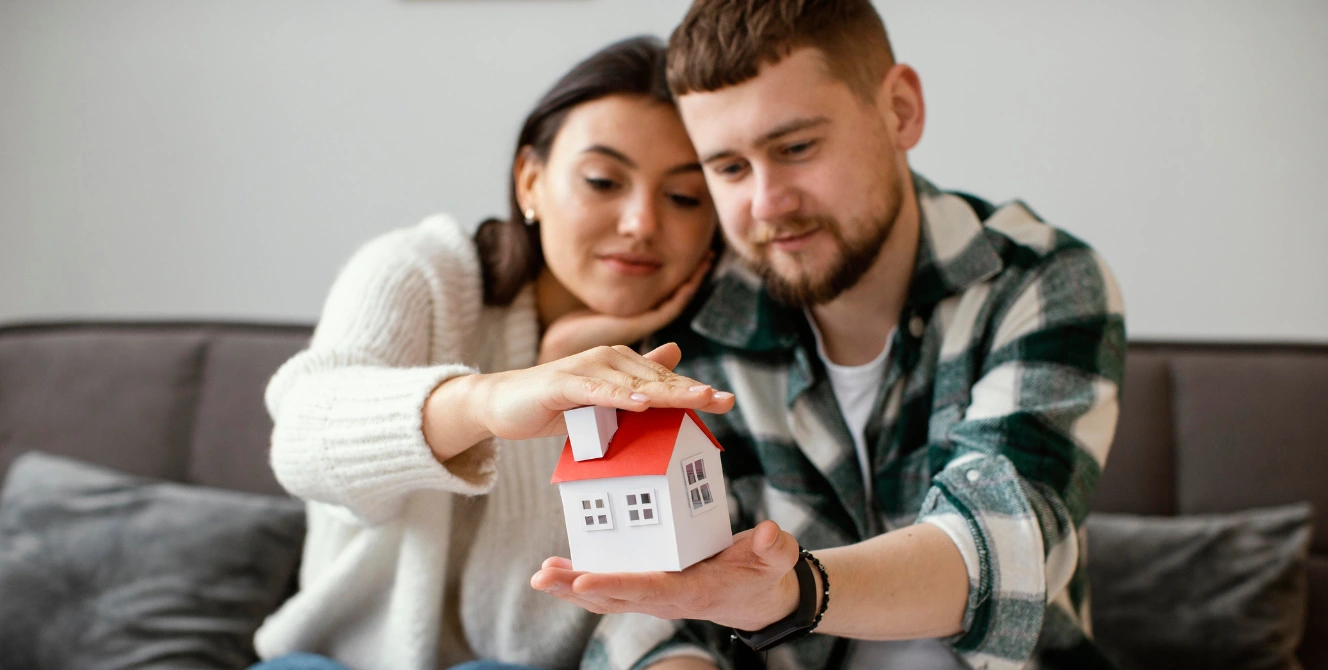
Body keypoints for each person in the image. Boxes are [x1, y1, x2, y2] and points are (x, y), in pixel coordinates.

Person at [532, 2, 1128, 669]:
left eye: (795, 149)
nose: (766, 204)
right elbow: (667, 607)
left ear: (899, 110)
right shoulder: (698, 322)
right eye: (728, 168)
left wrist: (792, 591)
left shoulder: (1038, 280)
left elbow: (1003, 544)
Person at [251, 36, 736, 670]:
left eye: (683, 197)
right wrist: (492, 398)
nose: (641, 222)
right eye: (602, 181)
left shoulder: (709, 363)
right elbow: (302, 438)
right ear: (530, 181)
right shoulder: (421, 275)